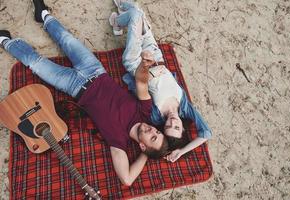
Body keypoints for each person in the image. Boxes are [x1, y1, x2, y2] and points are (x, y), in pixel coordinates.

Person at [0, 0, 169, 186]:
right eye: (157, 132)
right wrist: (144, 66)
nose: (153, 129)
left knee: (36, 64)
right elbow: (141, 82)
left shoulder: (118, 142)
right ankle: (44, 16)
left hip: (73, 86)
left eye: (153, 137)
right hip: (95, 70)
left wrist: (145, 155)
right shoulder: (144, 112)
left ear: (143, 146)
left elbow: (127, 179)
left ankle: (6, 42)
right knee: (66, 38)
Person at [109, 0, 212, 162]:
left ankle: (117, 21)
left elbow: (139, 84)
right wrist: (181, 152)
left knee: (136, 15)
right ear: (183, 129)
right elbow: (206, 133)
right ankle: (121, 14)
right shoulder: (185, 108)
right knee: (138, 12)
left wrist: (150, 72)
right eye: (177, 127)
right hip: (156, 56)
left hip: (136, 62)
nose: (172, 121)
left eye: (168, 127)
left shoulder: (155, 115)